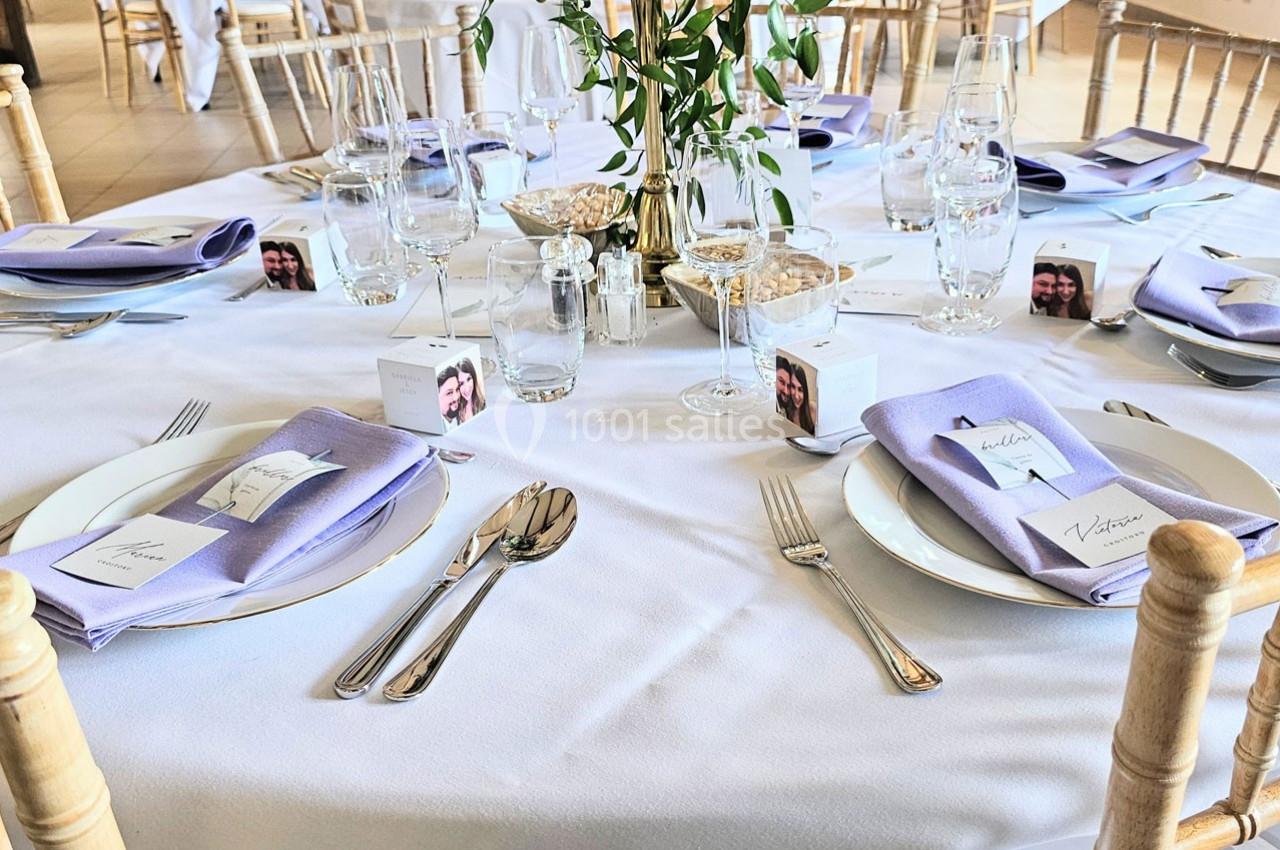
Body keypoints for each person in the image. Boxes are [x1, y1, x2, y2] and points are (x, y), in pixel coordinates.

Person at [790, 364, 816, 434]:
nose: (796, 396)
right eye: (792, 387)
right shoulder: (782, 412)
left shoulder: (814, 410)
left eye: (800, 390)